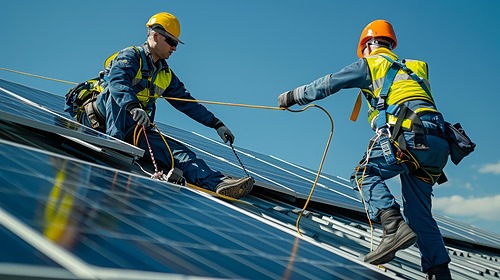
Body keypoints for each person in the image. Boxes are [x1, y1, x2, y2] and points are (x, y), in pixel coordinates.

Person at [278, 20, 452, 279]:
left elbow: (329, 83)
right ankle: (439, 272)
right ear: (390, 44)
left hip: (408, 133)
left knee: (364, 174)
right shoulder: (416, 67)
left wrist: (292, 96)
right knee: (419, 214)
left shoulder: (371, 64)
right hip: (439, 143)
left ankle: (392, 227)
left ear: (369, 45)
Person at [81, 12, 253, 199]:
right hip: (103, 118)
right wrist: (133, 106)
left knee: (179, 153)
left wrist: (216, 124)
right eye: (172, 42)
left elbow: (187, 104)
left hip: (134, 128)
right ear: (155, 36)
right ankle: (115, 145)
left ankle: (217, 183)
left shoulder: (166, 75)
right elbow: (118, 82)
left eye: (176, 43)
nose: (174, 48)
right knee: (115, 95)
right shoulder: (130, 56)